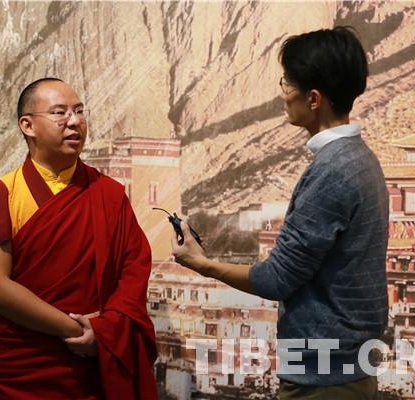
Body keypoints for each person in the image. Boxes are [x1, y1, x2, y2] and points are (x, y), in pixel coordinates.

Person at [171, 27, 388, 400]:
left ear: (314, 98)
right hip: (347, 371)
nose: (283, 93)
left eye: (288, 83)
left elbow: (276, 279)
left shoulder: (331, 171)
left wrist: (202, 264)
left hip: (322, 382)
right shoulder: (361, 160)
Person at [0, 78, 157, 399]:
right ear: (28, 125)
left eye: (79, 111)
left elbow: (134, 267)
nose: (75, 121)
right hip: (23, 364)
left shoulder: (108, 194)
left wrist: (106, 330)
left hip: (90, 365)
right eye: (60, 113)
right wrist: (76, 330)